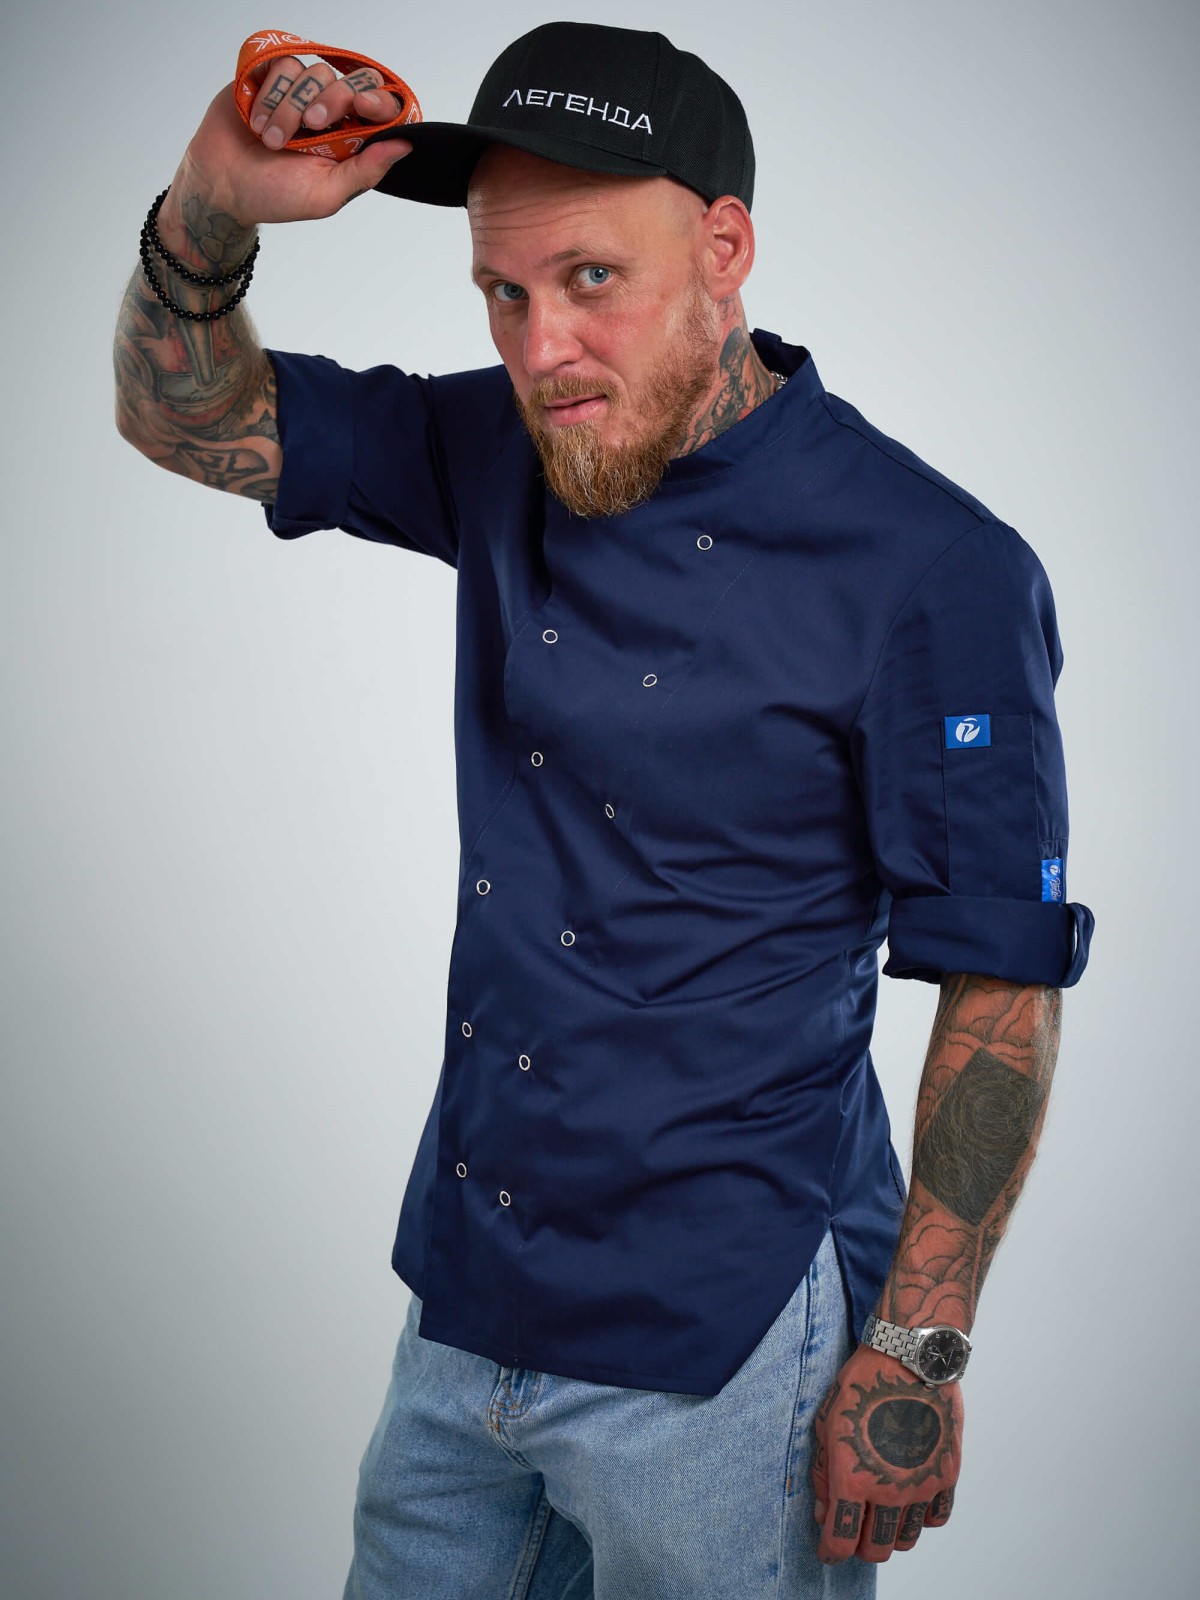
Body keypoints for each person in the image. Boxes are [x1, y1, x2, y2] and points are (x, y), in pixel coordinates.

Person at [113, 20, 1095, 1598]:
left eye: (590, 280)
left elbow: (999, 980)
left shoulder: (936, 568)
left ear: (726, 251)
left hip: (726, 1351)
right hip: (464, 1310)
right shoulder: (502, 447)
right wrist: (208, 206)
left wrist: (916, 1351)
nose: (543, 348)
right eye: (503, 295)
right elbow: (186, 419)